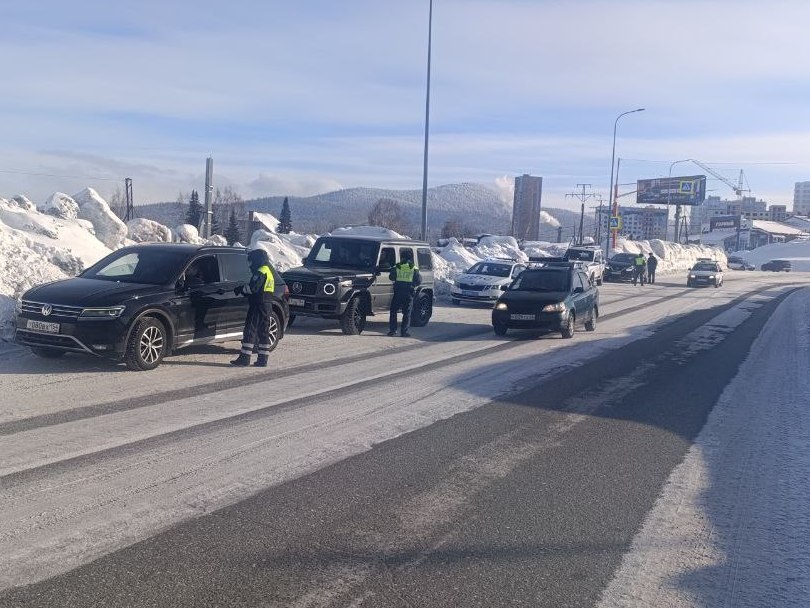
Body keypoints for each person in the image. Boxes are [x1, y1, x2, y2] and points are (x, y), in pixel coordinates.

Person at [231, 248, 276, 367]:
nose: (250, 264)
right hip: (267, 305)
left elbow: (252, 289)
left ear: (256, 260)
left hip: (257, 305)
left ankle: (245, 358)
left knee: (250, 330)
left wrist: (240, 289)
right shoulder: (268, 271)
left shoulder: (260, 271)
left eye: (251, 261)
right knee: (264, 332)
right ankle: (263, 359)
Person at [388, 250, 421, 337]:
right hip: (409, 293)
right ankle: (404, 332)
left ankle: (392, 330)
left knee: (393, 311)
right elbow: (418, 281)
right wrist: (412, 284)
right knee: (407, 313)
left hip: (398, 292)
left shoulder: (397, 266)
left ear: (401, 257)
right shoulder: (414, 268)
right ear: (410, 258)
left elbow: (391, 277)